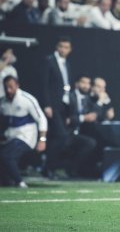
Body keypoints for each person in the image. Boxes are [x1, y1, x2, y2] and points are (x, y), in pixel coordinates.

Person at [0, 76, 47, 188]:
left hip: (26, 137)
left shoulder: (27, 99)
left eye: (11, 87)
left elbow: (42, 119)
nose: (8, 90)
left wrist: (42, 140)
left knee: (6, 156)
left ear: (17, 85)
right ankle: (8, 182)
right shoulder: (2, 102)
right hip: (10, 138)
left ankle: (20, 183)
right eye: (6, 87)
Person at [41, 36, 73, 177]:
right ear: (56, 46)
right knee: (61, 137)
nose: (63, 50)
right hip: (53, 105)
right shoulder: (49, 61)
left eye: (66, 47)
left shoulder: (66, 63)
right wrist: (47, 105)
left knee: (56, 138)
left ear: (70, 49)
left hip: (63, 106)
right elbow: (44, 85)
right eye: (61, 46)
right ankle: (48, 166)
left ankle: (49, 169)